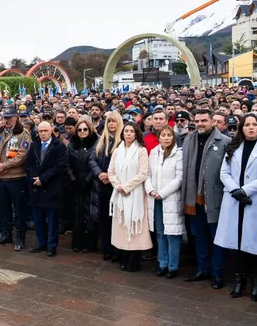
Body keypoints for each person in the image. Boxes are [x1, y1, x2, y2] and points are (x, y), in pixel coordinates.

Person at [216, 113, 257, 302]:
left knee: (255, 244)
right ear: (241, 128)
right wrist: (235, 190)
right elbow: (224, 172)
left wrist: (245, 191)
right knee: (236, 243)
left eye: (254, 125)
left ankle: (256, 283)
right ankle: (238, 280)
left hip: (256, 200)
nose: (251, 128)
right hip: (234, 199)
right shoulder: (233, 147)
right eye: (247, 125)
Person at [181, 110, 230, 289]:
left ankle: (218, 272)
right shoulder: (188, 140)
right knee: (199, 236)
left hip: (213, 198)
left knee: (216, 237)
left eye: (204, 120)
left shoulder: (225, 142)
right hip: (192, 198)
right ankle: (203, 269)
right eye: (197, 120)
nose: (200, 124)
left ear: (212, 122)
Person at [107, 121, 151, 272]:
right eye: (126, 131)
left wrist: (126, 187)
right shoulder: (117, 150)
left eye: (132, 131)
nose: (129, 134)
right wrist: (118, 186)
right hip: (119, 193)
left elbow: (143, 173)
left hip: (135, 193)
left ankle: (134, 261)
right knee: (121, 227)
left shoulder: (141, 151)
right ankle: (123, 258)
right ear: (123, 133)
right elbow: (110, 171)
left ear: (136, 133)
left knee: (134, 225)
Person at [0, 107, 32, 250]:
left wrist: (4, 165)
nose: (6, 120)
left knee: (19, 209)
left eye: (9, 117)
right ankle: (5, 233)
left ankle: (20, 237)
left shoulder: (23, 134)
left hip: (16, 177)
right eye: (4, 117)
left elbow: (21, 156)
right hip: (1, 177)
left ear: (16, 117)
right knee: (3, 208)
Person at [146, 125, 184, 279]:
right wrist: (151, 190)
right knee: (160, 233)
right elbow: (147, 175)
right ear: (159, 137)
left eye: (169, 135)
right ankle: (162, 263)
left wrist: (162, 193)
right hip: (155, 199)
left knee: (172, 234)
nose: (166, 138)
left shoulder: (179, 154)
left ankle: (173, 266)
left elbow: (179, 178)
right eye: (163, 135)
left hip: (170, 199)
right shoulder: (154, 153)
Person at [26, 121, 67, 256]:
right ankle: (41, 242)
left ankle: (52, 245)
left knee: (52, 220)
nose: (43, 134)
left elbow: (59, 167)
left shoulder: (59, 146)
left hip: (51, 187)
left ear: (51, 131)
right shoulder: (34, 145)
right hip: (36, 188)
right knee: (38, 218)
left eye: (45, 131)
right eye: (41, 131)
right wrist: (35, 178)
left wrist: (42, 179)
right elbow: (30, 164)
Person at [67, 117, 99, 252]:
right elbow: (67, 163)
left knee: (89, 214)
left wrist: (87, 179)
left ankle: (90, 243)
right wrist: (73, 178)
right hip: (75, 182)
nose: (82, 131)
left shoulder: (96, 143)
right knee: (76, 213)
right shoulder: (71, 143)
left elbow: (96, 162)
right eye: (79, 129)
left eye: (85, 129)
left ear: (90, 129)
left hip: (90, 184)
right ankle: (77, 242)